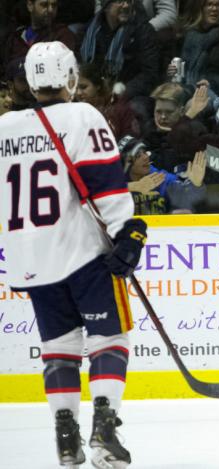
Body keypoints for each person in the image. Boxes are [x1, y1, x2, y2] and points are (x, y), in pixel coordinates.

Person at [0, 41, 145, 467]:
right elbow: (104, 182)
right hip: (82, 253)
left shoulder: (4, 127)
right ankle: (104, 430)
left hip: (29, 261)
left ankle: (66, 439)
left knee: (59, 346)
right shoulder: (83, 115)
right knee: (110, 338)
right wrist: (127, 231)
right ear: (68, 75)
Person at [119, 135, 207, 214]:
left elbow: (185, 195)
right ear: (127, 164)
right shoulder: (115, 180)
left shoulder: (159, 178)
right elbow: (106, 192)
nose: (146, 157)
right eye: (138, 156)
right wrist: (135, 186)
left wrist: (195, 184)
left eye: (145, 152)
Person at [174, 0, 219, 97]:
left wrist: (211, 82)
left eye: (218, 5)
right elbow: (181, 69)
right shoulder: (188, 36)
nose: (214, 9)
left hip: (217, 92)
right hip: (188, 87)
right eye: (209, 4)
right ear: (199, 8)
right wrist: (172, 72)